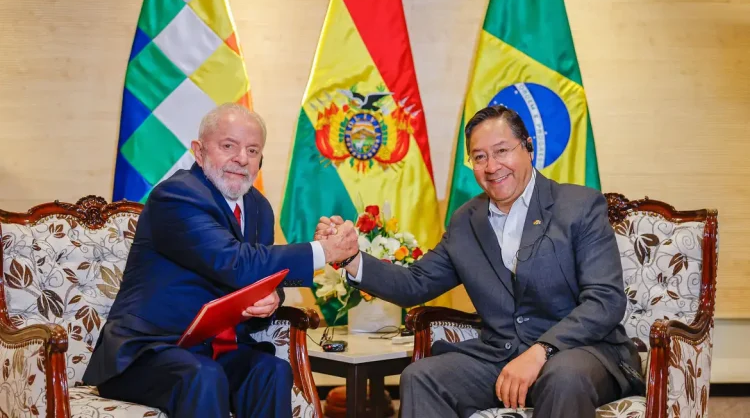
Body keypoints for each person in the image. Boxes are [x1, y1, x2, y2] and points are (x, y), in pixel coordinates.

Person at [316, 105, 641, 418]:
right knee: (421, 377)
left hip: (583, 352)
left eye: (502, 151)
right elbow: (415, 284)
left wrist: (542, 351)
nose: (491, 166)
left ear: (528, 148)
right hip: (501, 355)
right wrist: (351, 258)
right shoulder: (467, 221)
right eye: (480, 157)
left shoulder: (579, 205)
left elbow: (604, 300)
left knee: (563, 376)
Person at [83, 103, 359, 418]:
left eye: (252, 150)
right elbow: (234, 261)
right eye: (229, 146)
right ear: (199, 152)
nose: (242, 158)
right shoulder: (176, 197)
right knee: (203, 376)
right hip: (147, 353)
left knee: (272, 371)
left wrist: (270, 297)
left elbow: (260, 274)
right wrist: (324, 251)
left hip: (212, 352)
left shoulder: (259, 208)